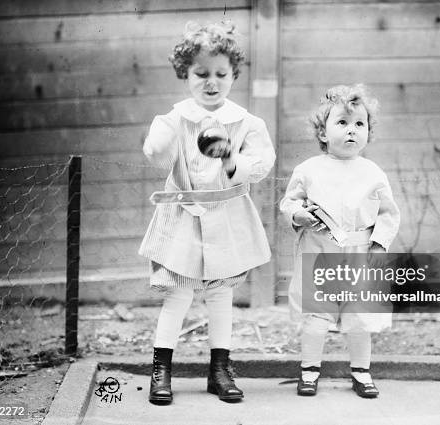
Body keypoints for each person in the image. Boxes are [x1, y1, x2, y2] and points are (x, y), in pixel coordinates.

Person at [138, 20, 275, 405]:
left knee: (220, 296)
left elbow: (261, 165)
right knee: (178, 295)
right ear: (186, 74)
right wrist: (161, 139)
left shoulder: (247, 123)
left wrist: (233, 156)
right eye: (201, 74)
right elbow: (156, 153)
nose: (211, 82)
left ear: (233, 75)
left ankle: (219, 370)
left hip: (227, 215)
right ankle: (161, 370)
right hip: (182, 215)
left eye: (221, 74)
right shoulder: (175, 118)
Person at [280, 84, 400, 398]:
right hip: (319, 250)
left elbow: (388, 213)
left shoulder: (373, 173)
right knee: (315, 316)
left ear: (368, 133)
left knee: (360, 317)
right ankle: (309, 371)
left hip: (360, 253)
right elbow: (290, 203)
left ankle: (361, 371)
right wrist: (298, 216)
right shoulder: (308, 170)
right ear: (323, 132)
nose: (351, 131)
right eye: (342, 123)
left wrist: (379, 244)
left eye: (360, 124)